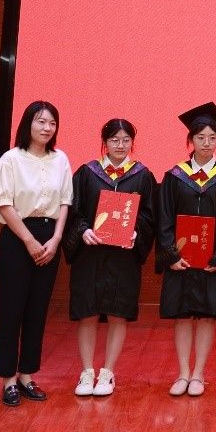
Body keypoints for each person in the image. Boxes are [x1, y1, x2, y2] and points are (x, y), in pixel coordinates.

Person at [156, 102, 216, 398]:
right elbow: (164, 219)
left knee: (207, 316)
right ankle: (183, 373)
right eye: (200, 137)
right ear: (191, 140)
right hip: (181, 262)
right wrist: (171, 256)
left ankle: (199, 374)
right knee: (183, 315)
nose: (206, 143)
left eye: (212, 138)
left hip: (212, 262)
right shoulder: (174, 177)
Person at [63, 118, 156, 398]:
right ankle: (87, 371)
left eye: (126, 140)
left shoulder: (142, 176)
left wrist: (137, 232)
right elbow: (73, 210)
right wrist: (83, 230)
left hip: (123, 257)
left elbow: (150, 215)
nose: (120, 145)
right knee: (88, 312)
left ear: (132, 143)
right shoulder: (87, 173)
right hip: (90, 255)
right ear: (104, 142)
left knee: (118, 313)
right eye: (114, 140)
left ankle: (108, 372)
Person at [0, 100, 72, 407]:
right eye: (41, 122)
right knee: (11, 310)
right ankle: (8, 379)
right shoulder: (10, 159)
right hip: (17, 238)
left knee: (37, 311)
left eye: (52, 123)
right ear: (28, 123)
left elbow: (65, 202)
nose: (46, 128)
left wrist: (56, 239)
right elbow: (3, 203)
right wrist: (28, 240)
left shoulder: (60, 159)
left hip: (49, 238)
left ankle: (26, 375)